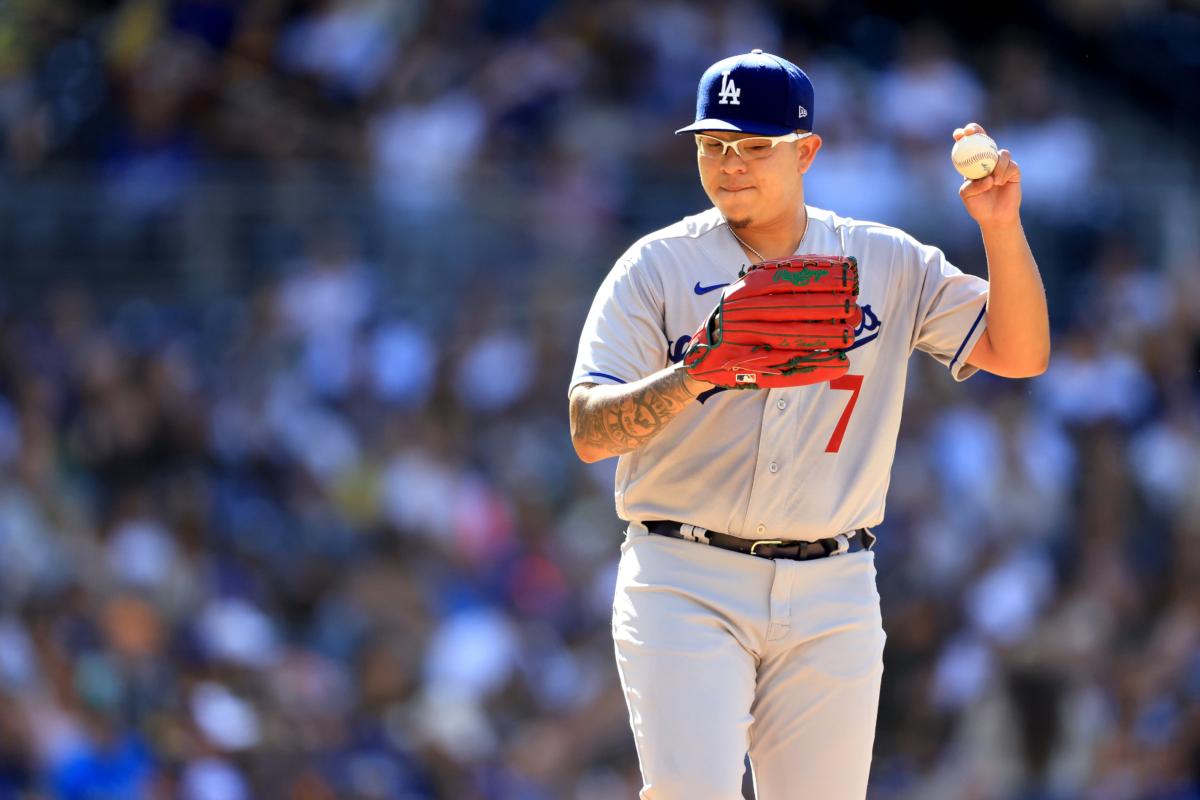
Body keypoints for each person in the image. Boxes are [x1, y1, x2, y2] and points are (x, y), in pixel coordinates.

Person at [567, 49, 1050, 799]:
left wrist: (1000, 228)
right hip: (686, 577)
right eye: (712, 146)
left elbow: (1019, 353)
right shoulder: (655, 267)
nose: (730, 165)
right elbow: (590, 431)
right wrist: (698, 370)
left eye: (754, 146)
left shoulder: (885, 261)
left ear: (807, 151)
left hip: (835, 585)